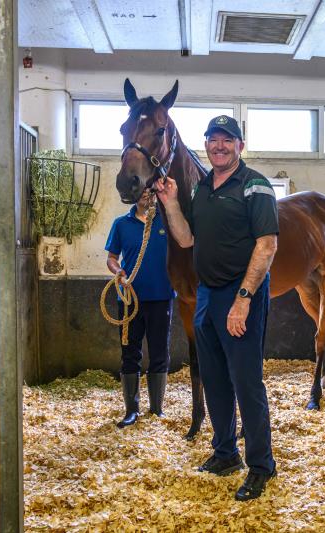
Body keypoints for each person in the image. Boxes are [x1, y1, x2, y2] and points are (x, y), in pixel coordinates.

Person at [155, 115, 278, 501]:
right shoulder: (203, 187)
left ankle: (261, 466)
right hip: (207, 294)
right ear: (206, 145)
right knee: (215, 379)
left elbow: (267, 245)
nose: (219, 146)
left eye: (227, 139)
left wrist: (243, 300)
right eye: (213, 139)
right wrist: (172, 203)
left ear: (240, 146)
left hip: (239, 294)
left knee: (246, 382)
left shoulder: (254, 185)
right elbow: (187, 237)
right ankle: (225, 452)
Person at [105, 189, 175, 428]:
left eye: (150, 191)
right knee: (129, 351)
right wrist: (118, 271)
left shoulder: (166, 222)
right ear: (134, 195)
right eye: (142, 192)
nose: (146, 195)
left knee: (159, 352)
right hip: (129, 299)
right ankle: (131, 410)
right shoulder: (121, 224)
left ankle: (156, 409)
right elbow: (111, 257)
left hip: (161, 296)